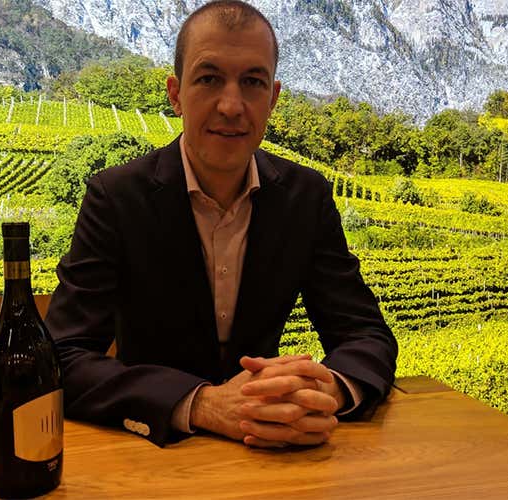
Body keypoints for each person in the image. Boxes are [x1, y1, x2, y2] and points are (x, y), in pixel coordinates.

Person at [45, 0, 397, 449]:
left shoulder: (306, 198)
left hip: (276, 452)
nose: (232, 106)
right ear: (176, 94)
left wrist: (327, 390)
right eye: (209, 79)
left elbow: (365, 334)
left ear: (273, 98)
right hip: (155, 456)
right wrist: (202, 404)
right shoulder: (116, 197)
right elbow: (62, 355)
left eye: (252, 82)